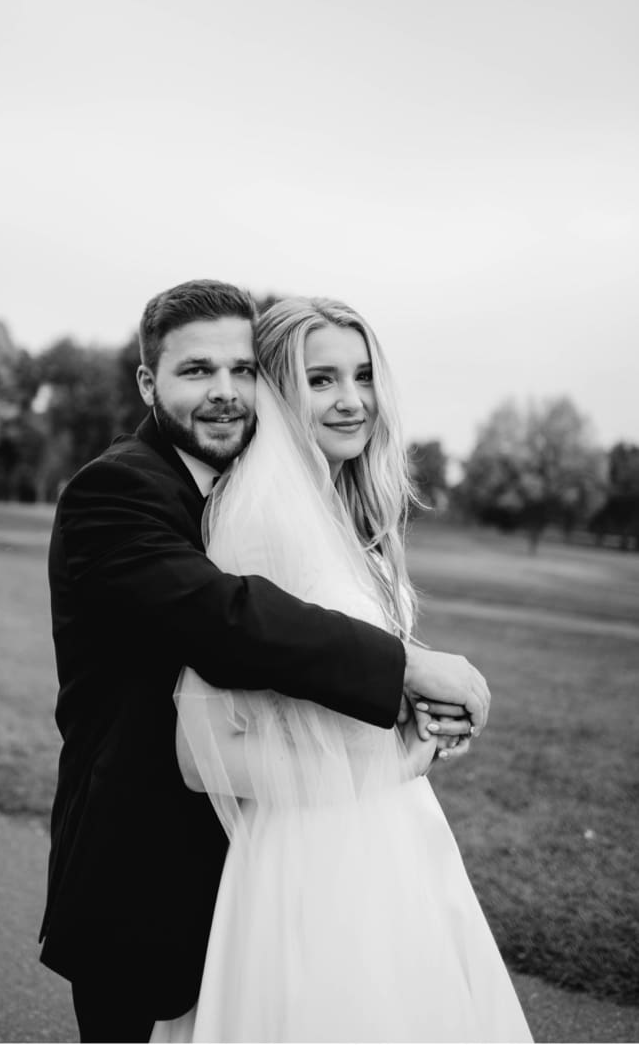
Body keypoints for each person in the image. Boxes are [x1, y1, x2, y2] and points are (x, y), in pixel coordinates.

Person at [41, 280, 490, 1042]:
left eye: (242, 370)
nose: (224, 393)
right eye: (195, 371)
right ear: (150, 382)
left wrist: (408, 729)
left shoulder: (282, 494)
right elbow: (224, 618)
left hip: (273, 841)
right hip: (143, 846)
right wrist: (408, 671)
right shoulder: (116, 489)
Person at [156, 296, 530, 1041]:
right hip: (314, 868)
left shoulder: (335, 511)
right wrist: (403, 757)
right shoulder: (258, 523)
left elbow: (332, 681)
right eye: (321, 379)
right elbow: (204, 754)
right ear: (274, 391)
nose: (353, 400)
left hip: (390, 842)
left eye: (362, 375)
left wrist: (420, 710)